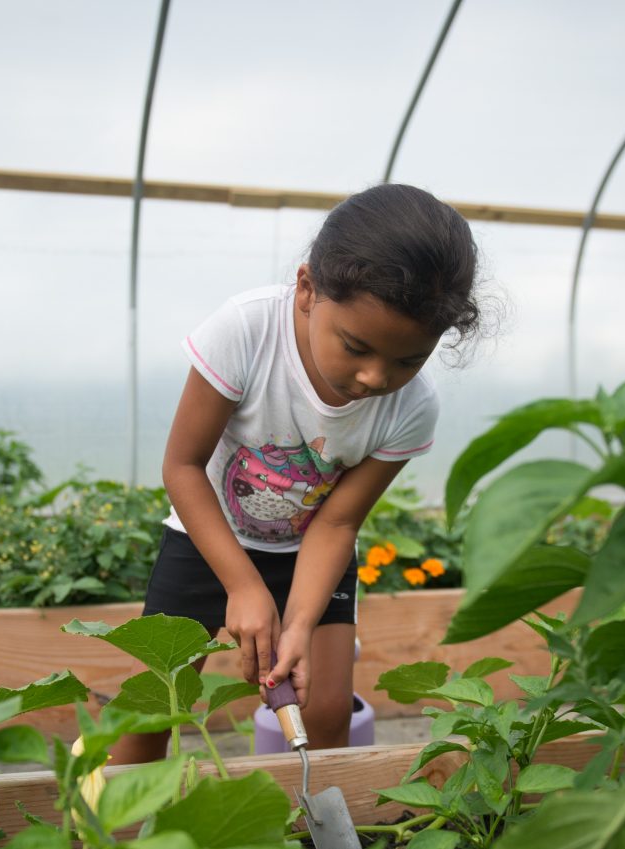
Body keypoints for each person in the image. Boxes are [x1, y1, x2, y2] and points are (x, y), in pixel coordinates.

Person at [111, 183, 487, 763]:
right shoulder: (247, 330)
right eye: (356, 346)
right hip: (207, 535)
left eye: (408, 359)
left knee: (326, 709)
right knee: (148, 710)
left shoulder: (413, 408)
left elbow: (337, 524)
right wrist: (241, 585)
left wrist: (299, 622)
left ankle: (316, 825)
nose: (374, 378)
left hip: (312, 551)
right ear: (309, 289)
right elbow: (182, 466)